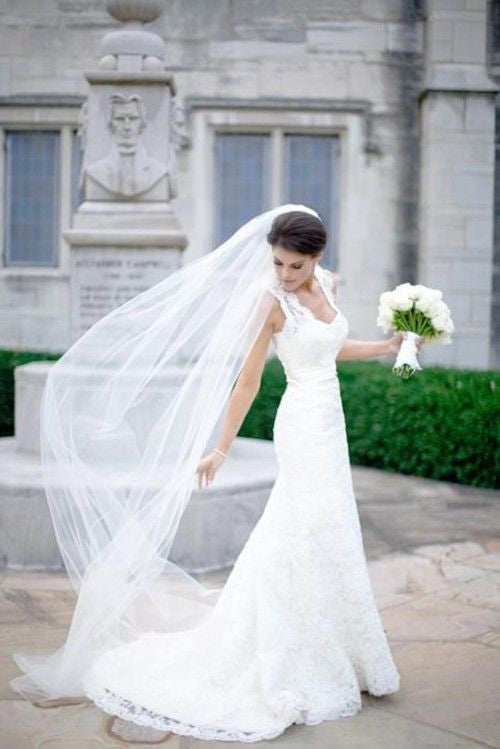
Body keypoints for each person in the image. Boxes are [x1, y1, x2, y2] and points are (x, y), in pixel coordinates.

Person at [10, 204, 418, 743]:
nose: (285, 275)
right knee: (296, 528)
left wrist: (389, 347)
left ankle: (333, 648)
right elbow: (247, 382)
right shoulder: (269, 302)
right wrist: (219, 450)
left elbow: (330, 349)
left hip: (330, 422)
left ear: (318, 259)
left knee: (331, 530)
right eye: (277, 263)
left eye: (296, 267)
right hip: (299, 426)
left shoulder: (329, 287)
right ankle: (276, 653)